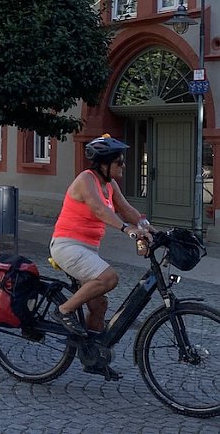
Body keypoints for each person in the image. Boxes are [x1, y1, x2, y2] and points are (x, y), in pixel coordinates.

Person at [49, 134, 152, 342]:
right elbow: (99, 209)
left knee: (99, 305)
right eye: (119, 162)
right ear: (104, 163)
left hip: (87, 250)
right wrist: (126, 229)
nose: (123, 165)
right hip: (67, 246)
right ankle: (63, 310)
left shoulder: (110, 183)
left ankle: (92, 350)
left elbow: (127, 210)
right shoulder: (86, 179)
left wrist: (153, 231)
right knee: (109, 278)